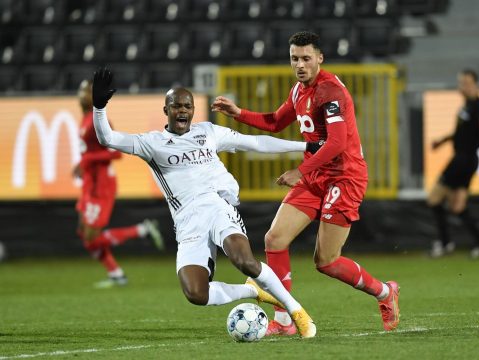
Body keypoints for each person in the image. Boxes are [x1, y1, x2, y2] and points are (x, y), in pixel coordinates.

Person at [91, 68, 320, 338]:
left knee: (244, 260)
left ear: (193, 110)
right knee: (196, 293)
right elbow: (107, 138)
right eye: (176, 106)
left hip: (217, 206)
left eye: (187, 106)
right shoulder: (151, 143)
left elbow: (255, 142)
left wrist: (303, 147)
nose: (182, 111)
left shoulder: (208, 132)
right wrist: (99, 107)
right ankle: (252, 290)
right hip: (188, 222)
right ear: (166, 110)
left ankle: (296, 311)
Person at [211, 31, 400, 336]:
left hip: (344, 176)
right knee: (274, 240)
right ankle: (284, 320)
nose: (299, 64)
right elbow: (275, 121)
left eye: (306, 58)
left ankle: (384, 292)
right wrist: (238, 113)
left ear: (319, 58)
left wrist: (301, 171)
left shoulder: (330, 91)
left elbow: (337, 142)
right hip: (317, 174)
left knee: (326, 261)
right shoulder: (300, 90)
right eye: (294, 59)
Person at [73, 79, 165, 289]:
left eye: (87, 91)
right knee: (83, 232)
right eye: (81, 90)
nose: (82, 95)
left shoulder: (98, 121)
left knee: (91, 238)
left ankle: (142, 230)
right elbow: (88, 153)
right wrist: (82, 163)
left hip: (101, 186)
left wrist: (87, 160)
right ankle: (116, 274)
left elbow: (115, 153)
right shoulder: (84, 120)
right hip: (89, 184)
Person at [427, 69, 479, 259]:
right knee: (457, 207)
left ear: (475, 84)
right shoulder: (467, 106)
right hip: (465, 159)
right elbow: (460, 133)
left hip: (464, 159)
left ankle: (445, 243)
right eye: (461, 82)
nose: (462, 86)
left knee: (433, 199)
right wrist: (443, 141)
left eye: (466, 82)